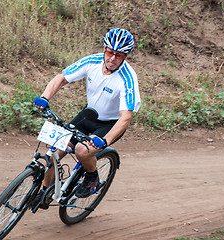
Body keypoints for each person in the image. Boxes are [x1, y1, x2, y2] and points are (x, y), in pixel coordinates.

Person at [31, 28, 141, 209]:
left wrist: (105, 141)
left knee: (82, 150)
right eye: (110, 52)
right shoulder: (92, 61)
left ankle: (92, 176)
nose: (112, 59)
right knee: (54, 152)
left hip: (110, 124)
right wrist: (45, 97)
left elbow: (125, 119)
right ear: (104, 49)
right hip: (88, 115)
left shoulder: (128, 79)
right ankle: (45, 191)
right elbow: (62, 78)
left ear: (126, 56)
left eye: (119, 55)